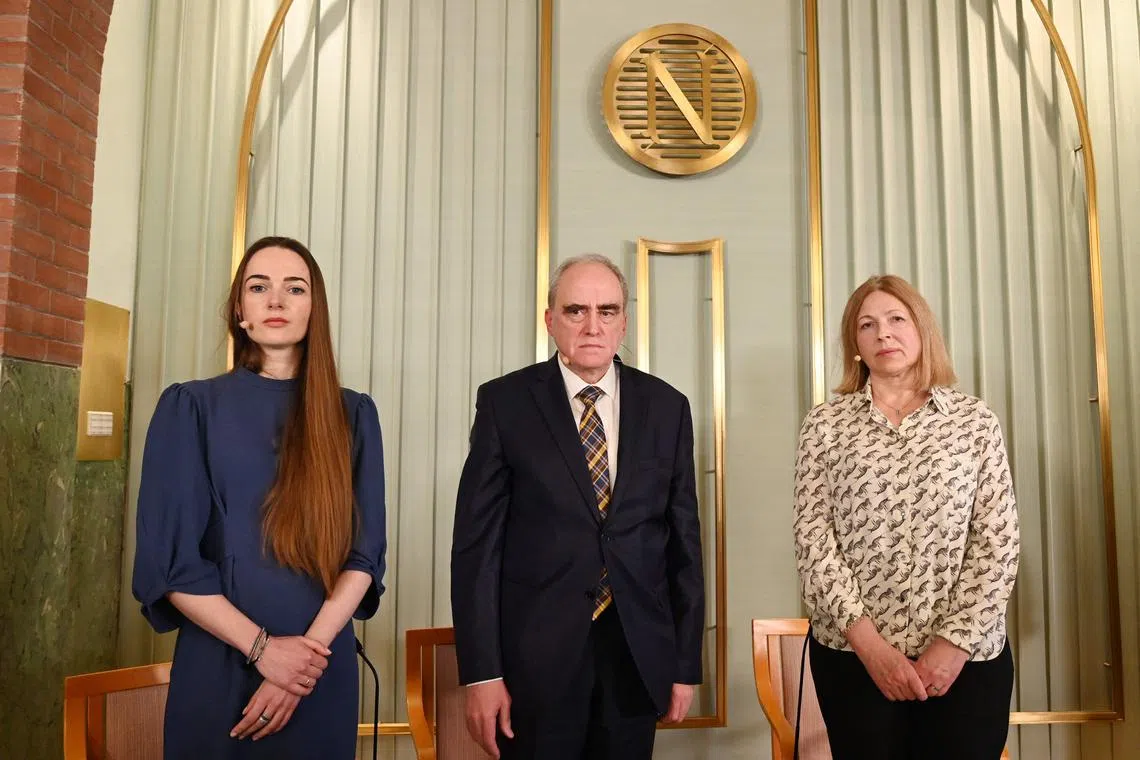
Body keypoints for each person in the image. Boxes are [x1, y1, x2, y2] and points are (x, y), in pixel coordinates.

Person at [131, 236, 387, 759]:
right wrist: (264, 651)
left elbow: (363, 557)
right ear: (239, 311)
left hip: (319, 671)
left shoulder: (353, 416)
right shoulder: (190, 408)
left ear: (315, 309)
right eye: (258, 287)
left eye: (295, 288)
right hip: (220, 662)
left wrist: (301, 664)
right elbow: (172, 564)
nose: (276, 301)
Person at [450, 254, 705, 760]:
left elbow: (685, 546)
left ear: (624, 321)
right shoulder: (506, 403)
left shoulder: (667, 407)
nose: (593, 326)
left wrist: (684, 664)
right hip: (534, 660)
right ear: (550, 320)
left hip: (636, 656)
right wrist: (482, 672)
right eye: (576, 311)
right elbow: (475, 549)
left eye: (607, 311)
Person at [793, 274, 1020, 759]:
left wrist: (953, 645)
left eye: (897, 320)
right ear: (854, 343)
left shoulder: (974, 421)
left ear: (922, 329)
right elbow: (814, 541)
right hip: (856, 661)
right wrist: (873, 650)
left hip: (967, 662)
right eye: (867, 325)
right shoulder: (825, 425)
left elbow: (998, 542)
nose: (884, 334)